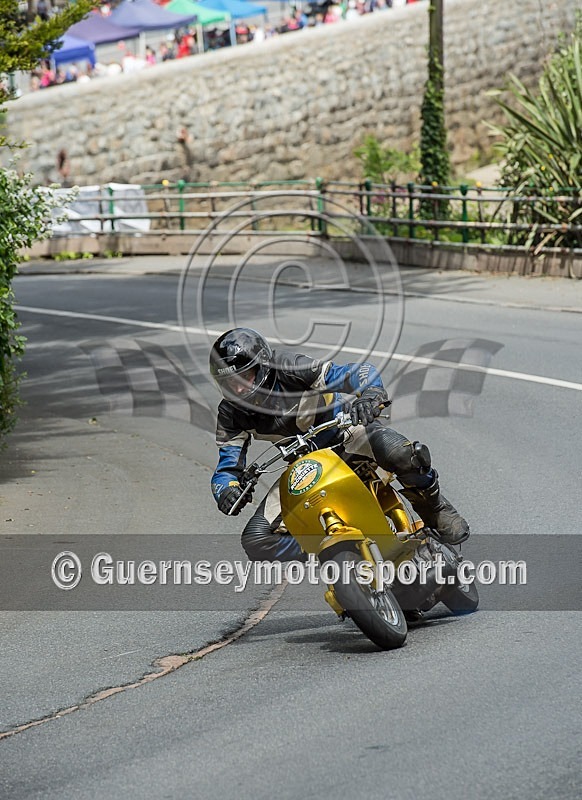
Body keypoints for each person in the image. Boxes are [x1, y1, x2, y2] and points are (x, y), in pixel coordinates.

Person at [209, 328, 470, 562]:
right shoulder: (231, 413)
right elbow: (226, 468)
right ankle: (331, 551)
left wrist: (370, 395)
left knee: (403, 453)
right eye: (230, 384)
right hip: (304, 466)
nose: (239, 389)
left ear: (263, 366)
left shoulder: (290, 367)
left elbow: (356, 373)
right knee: (257, 540)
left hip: (345, 435)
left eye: (245, 378)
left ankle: (435, 508)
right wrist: (227, 491)